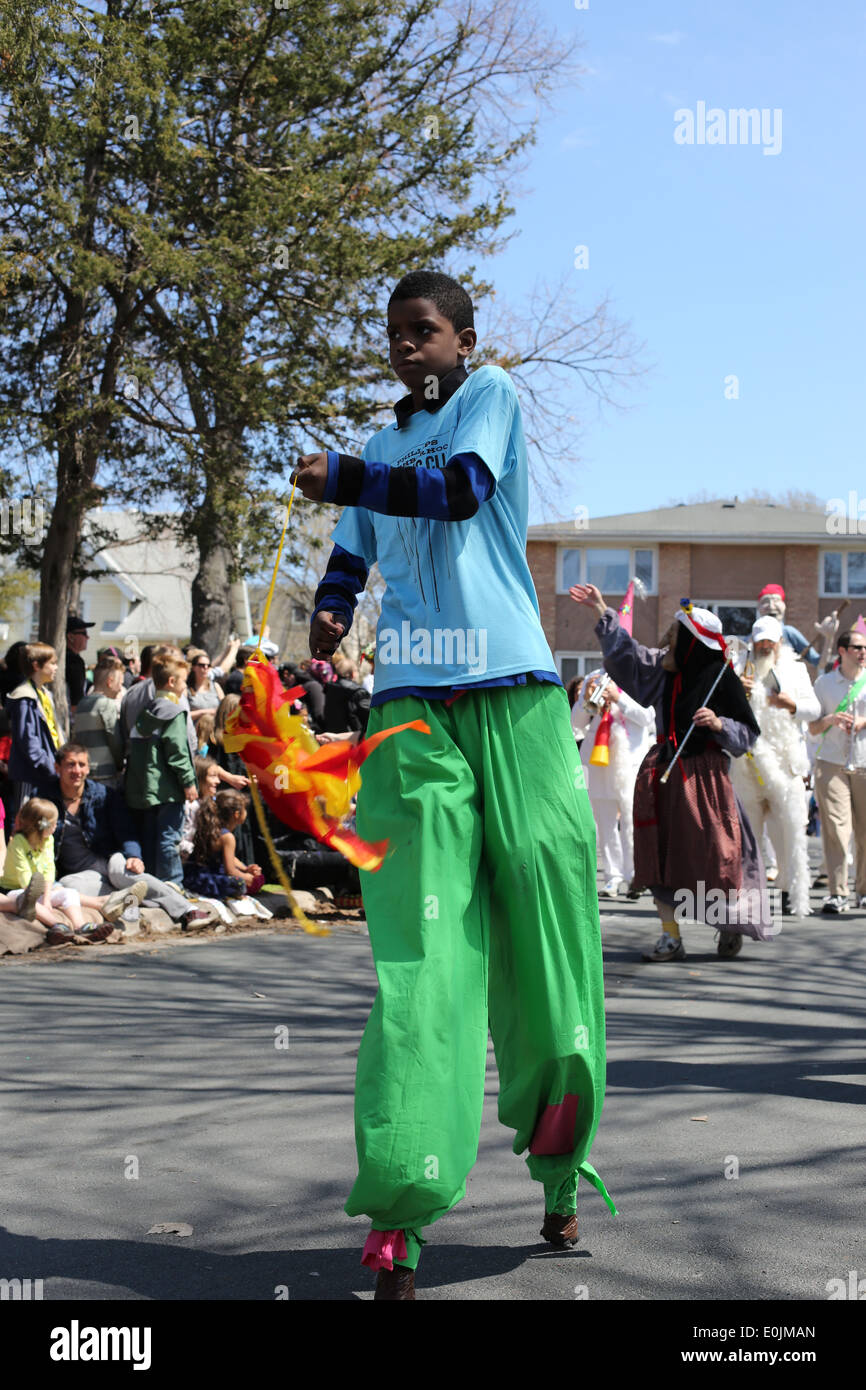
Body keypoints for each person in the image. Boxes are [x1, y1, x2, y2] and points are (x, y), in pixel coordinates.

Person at [291, 268, 612, 1300]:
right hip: (412, 706)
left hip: (515, 693)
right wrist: (331, 613)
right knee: (422, 947)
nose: (404, 347)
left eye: (421, 331)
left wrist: (343, 473)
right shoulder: (379, 450)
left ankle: (559, 1164)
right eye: (392, 334)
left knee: (543, 923)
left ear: (462, 339)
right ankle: (400, 1207)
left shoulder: (490, 399)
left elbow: (459, 491)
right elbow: (352, 556)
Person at [572, 584, 770, 963]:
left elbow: (746, 736)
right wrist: (601, 608)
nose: (665, 642)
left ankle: (727, 923)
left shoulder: (721, 679)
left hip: (706, 782)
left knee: (717, 858)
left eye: (674, 635)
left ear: (693, 643)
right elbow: (628, 655)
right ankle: (670, 936)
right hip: (664, 774)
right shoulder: (664, 672)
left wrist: (719, 723)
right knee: (658, 856)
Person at [45, 742, 213, 930]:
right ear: (57, 767)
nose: (77, 770)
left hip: (109, 857)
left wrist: (134, 856)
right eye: (70, 764)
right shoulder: (45, 799)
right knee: (67, 886)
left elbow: (126, 831)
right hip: (82, 873)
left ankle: (187, 910)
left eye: (82, 765)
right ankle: (152, 891)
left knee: (121, 873)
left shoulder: (103, 795)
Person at [729, 616, 820, 917]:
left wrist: (790, 704)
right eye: (760, 641)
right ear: (753, 642)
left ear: (780, 642)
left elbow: (815, 708)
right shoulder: (739, 667)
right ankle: (749, 896)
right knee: (748, 838)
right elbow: (723, 710)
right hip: (747, 764)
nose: (766, 646)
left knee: (791, 834)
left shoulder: (796, 670)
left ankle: (790, 892)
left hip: (785, 764)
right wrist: (736, 693)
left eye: (771, 641)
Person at [0, 796, 141, 945]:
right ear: (41, 826)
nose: (56, 827)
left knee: (70, 893)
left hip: (39, 889)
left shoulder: (48, 840)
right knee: (27, 901)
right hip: (15, 889)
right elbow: (24, 876)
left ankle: (81, 926)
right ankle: (57, 926)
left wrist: (47, 898)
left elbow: (49, 869)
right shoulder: (18, 842)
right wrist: (38, 895)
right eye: (53, 824)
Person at [572, 669, 655, 897]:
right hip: (598, 761)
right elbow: (577, 723)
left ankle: (635, 875)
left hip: (629, 761)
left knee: (631, 821)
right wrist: (586, 699)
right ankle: (613, 876)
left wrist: (618, 698)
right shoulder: (594, 677)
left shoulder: (639, 678)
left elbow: (647, 717)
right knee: (605, 823)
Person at [124, 653, 198, 882]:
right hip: (168, 789)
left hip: (144, 790)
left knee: (150, 838)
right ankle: (173, 886)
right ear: (172, 682)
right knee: (169, 839)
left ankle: (150, 885)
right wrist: (188, 782)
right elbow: (178, 752)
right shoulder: (173, 713)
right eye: (185, 681)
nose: (186, 686)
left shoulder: (146, 712)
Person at [808, 628, 866, 913]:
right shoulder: (824, 683)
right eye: (857, 647)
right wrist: (830, 720)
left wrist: (862, 722)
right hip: (831, 761)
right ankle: (838, 892)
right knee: (836, 830)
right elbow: (812, 726)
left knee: (865, 832)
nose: (863, 652)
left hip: (864, 761)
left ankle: (864, 891)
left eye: (864, 647)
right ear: (842, 651)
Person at [6, 642, 62, 807]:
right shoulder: (24, 697)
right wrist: (49, 766)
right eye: (52, 663)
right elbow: (28, 741)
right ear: (36, 665)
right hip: (29, 775)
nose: (56, 667)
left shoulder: (44, 693)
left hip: (48, 772)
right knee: (25, 822)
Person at [182, 790, 264, 899]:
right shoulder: (228, 837)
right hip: (208, 879)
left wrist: (246, 869)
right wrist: (248, 878)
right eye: (245, 809)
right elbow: (230, 870)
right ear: (237, 814)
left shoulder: (211, 829)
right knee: (252, 881)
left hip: (193, 876)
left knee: (254, 878)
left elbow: (230, 858)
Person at [72, 654, 126, 786]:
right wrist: (120, 765)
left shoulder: (82, 704)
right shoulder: (106, 704)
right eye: (120, 683)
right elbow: (114, 739)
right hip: (104, 773)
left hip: (85, 770)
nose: (120, 689)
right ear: (110, 681)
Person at [179, 755, 221, 861]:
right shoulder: (190, 806)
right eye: (212, 776)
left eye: (218, 776)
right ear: (200, 778)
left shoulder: (206, 802)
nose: (218, 781)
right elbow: (184, 837)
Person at [322, 653, 371, 734]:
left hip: (334, 737)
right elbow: (371, 718)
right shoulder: (358, 692)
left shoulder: (330, 688)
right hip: (353, 739)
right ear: (352, 673)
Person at [186, 648, 225, 722]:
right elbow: (184, 715)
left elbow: (225, 708)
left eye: (208, 665)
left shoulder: (215, 686)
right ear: (194, 667)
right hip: (195, 731)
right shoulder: (186, 689)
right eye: (202, 665)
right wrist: (205, 712)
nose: (206, 667)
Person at [65, 615, 94, 712]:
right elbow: (76, 699)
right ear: (70, 636)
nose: (88, 637)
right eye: (84, 633)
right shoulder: (74, 661)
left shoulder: (65, 657)